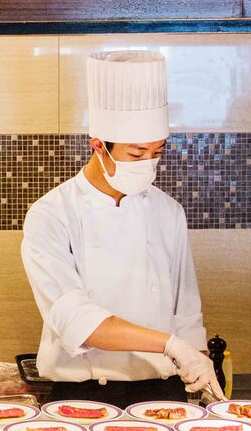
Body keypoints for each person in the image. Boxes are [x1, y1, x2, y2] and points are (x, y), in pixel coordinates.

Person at [21, 50, 224, 408]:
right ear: (99, 146)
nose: (148, 164)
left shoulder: (168, 211)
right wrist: (169, 344)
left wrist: (197, 364)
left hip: (164, 392)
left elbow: (187, 312)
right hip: (85, 397)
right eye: (136, 153)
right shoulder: (51, 214)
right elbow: (77, 320)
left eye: (157, 152)